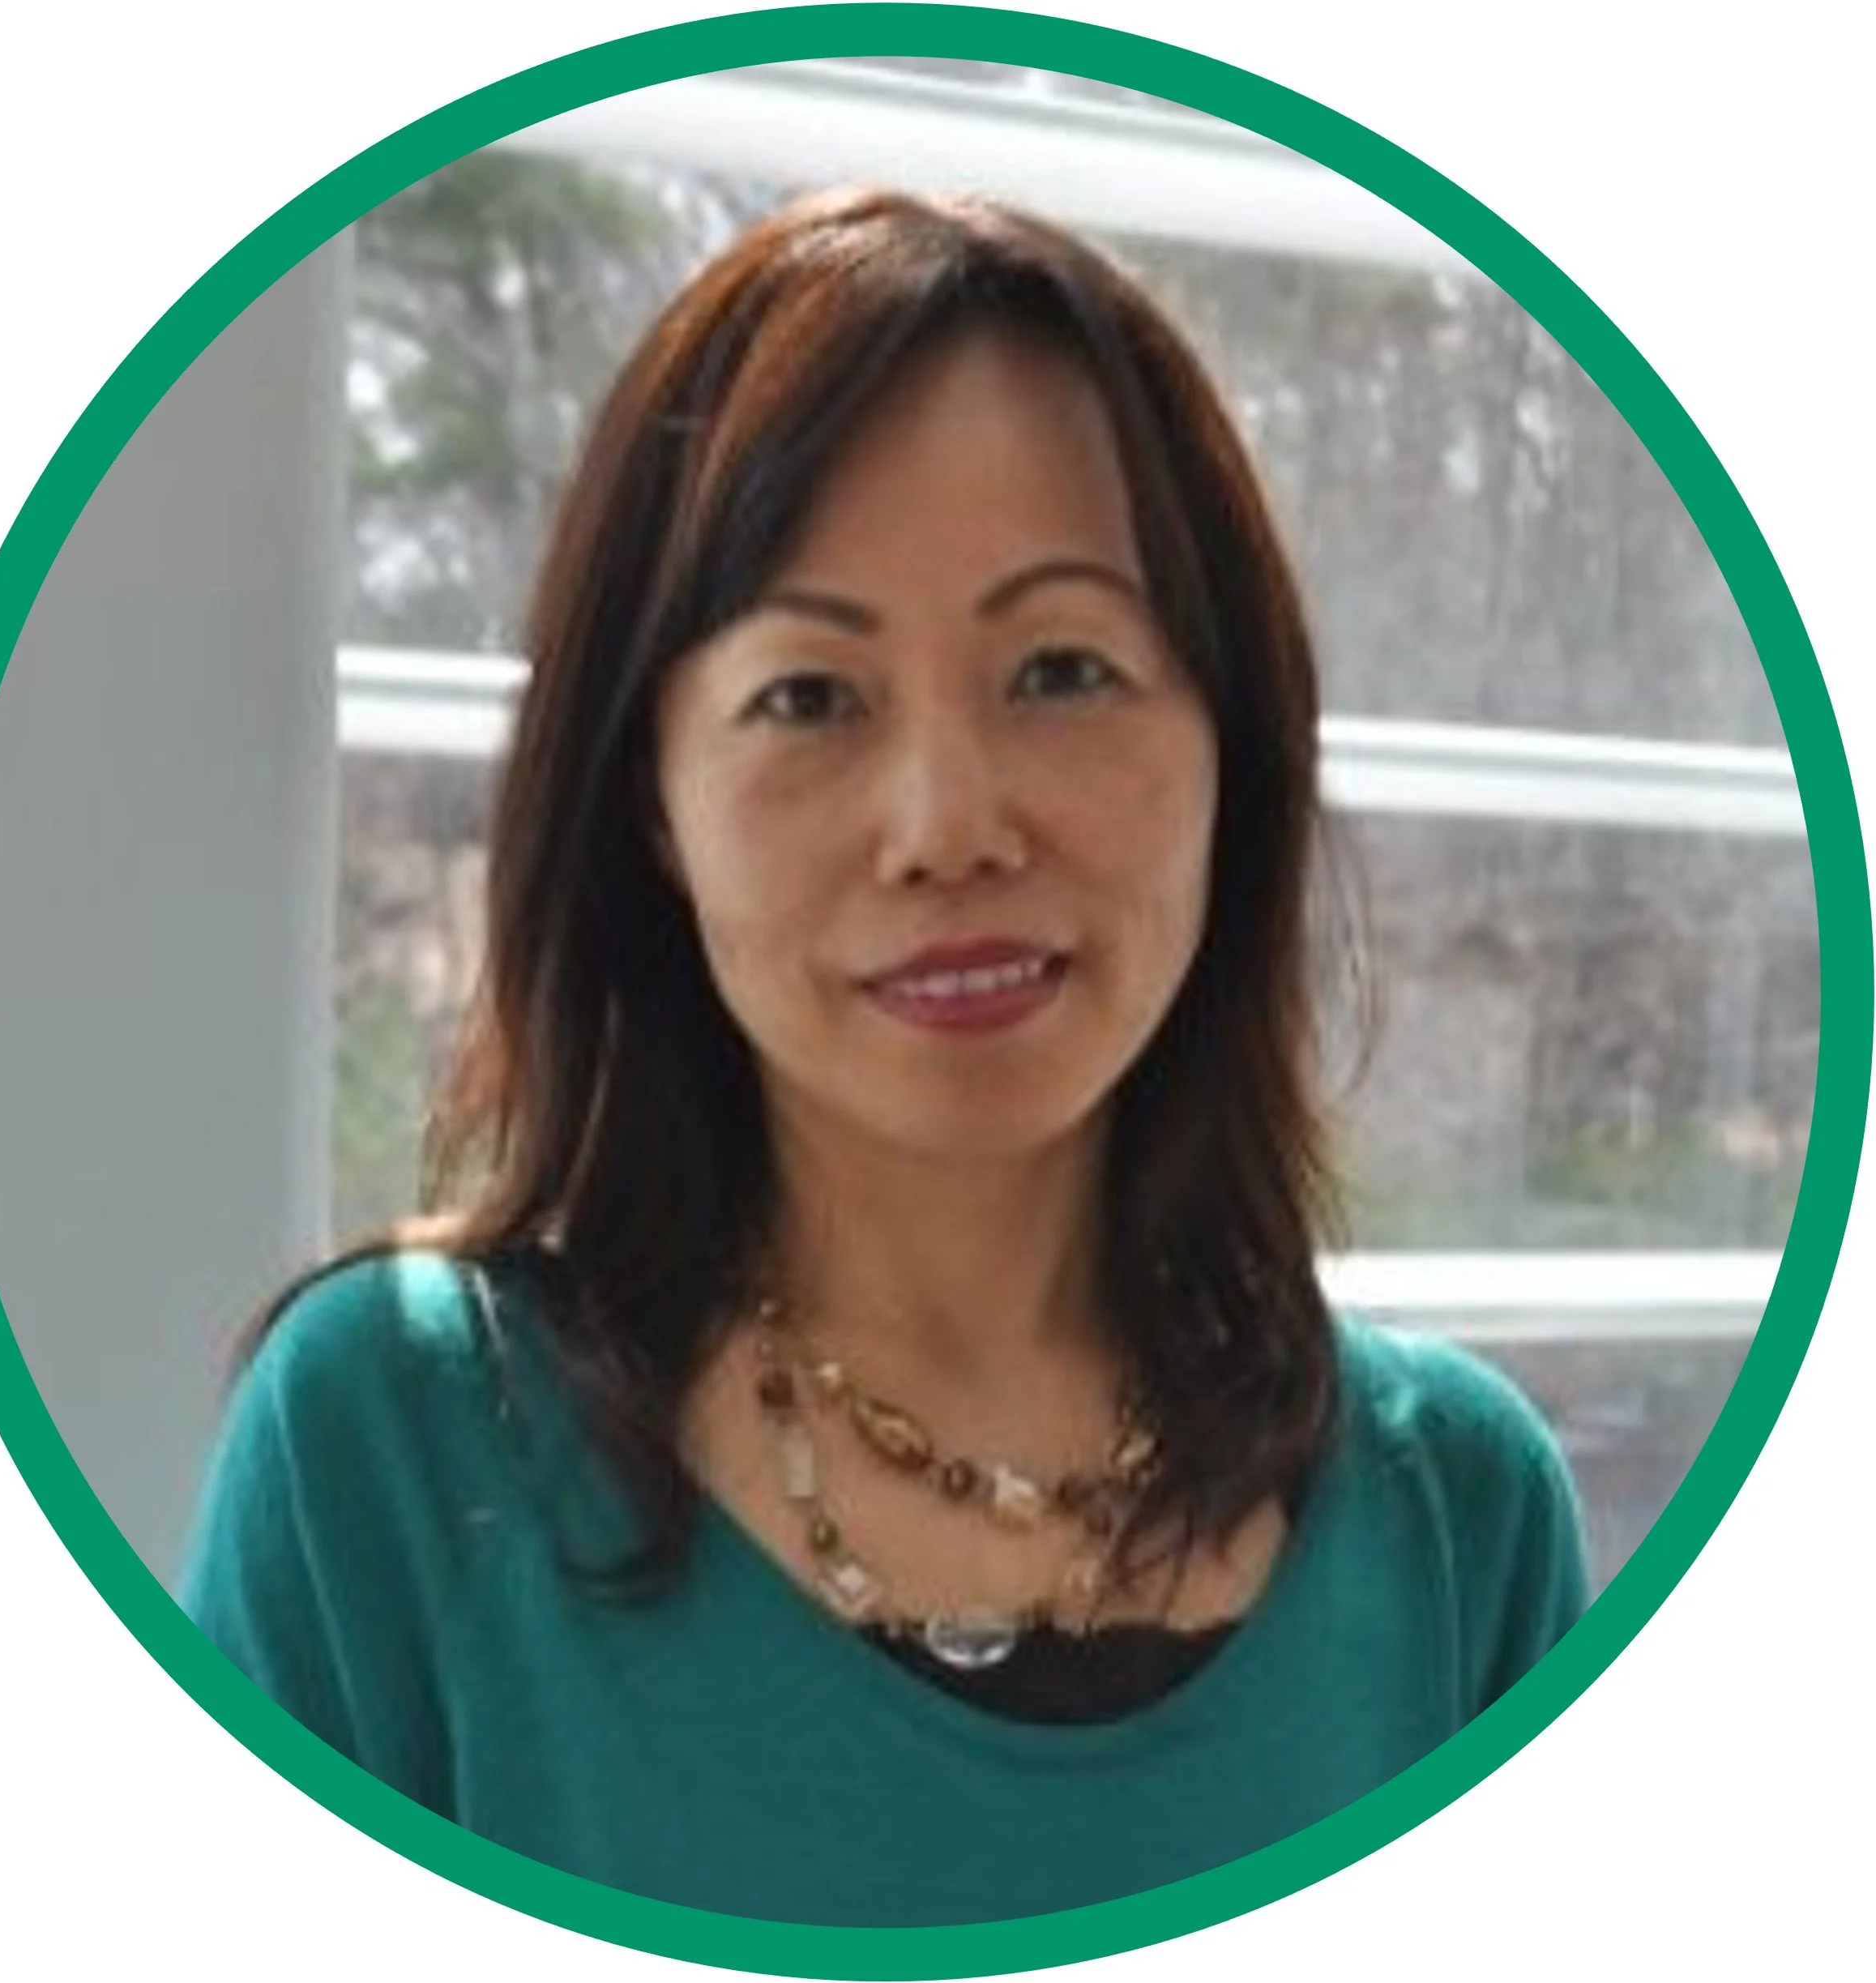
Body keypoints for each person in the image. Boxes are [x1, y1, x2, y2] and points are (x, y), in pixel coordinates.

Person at [181, 186, 1587, 1929]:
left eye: (1060, 669)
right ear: (653, 801)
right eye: (809, 696)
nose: (946, 826)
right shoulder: (389, 1451)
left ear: (1233, 742)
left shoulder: (1460, 1525)